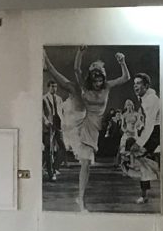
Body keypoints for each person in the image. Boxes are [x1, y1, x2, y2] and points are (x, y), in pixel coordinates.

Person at [43, 49, 128, 212]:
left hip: (93, 126)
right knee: (86, 162)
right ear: (91, 78)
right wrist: (80, 53)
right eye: (95, 79)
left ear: (103, 78)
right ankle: (81, 199)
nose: (98, 82)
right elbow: (77, 69)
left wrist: (122, 62)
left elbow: (125, 78)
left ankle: (80, 197)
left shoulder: (107, 86)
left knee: (87, 163)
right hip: (80, 120)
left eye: (100, 79)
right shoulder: (85, 86)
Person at [117, 95, 160, 205]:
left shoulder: (145, 116)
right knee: (142, 166)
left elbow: (146, 127)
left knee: (145, 166)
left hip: (144, 140)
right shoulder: (126, 115)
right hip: (136, 139)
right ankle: (144, 195)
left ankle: (144, 194)